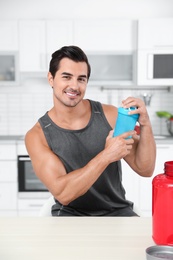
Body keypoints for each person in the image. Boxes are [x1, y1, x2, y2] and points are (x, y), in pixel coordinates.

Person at [25, 45, 156, 216]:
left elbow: (145, 169)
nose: (74, 86)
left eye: (81, 79)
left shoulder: (108, 116)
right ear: (51, 78)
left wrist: (146, 124)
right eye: (66, 77)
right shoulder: (38, 135)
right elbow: (63, 193)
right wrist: (107, 155)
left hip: (117, 212)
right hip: (70, 216)